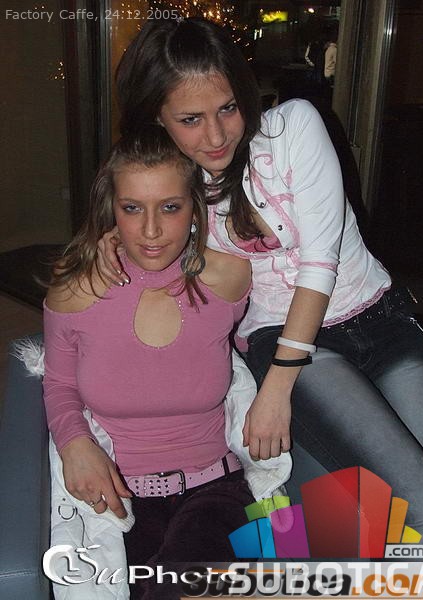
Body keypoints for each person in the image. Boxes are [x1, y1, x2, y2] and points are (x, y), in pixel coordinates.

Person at [97, 17, 423, 560]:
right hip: (290, 344)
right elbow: (144, 233)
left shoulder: (292, 128)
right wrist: (111, 243)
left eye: (227, 109)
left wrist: (274, 392)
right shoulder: (177, 190)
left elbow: (319, 262)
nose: (216, 136)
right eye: (190, 119)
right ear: (157, 119)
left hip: (380, 321)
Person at [43, 127, 256, 598]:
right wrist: (74, 444)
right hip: (117, 501)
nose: (152, 231)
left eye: (170, 207)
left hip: (217, 493)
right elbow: (57, 381)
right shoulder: (76, 289)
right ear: (112, 209)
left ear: (196, 207)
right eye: (133, 208)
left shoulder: (230, 277)